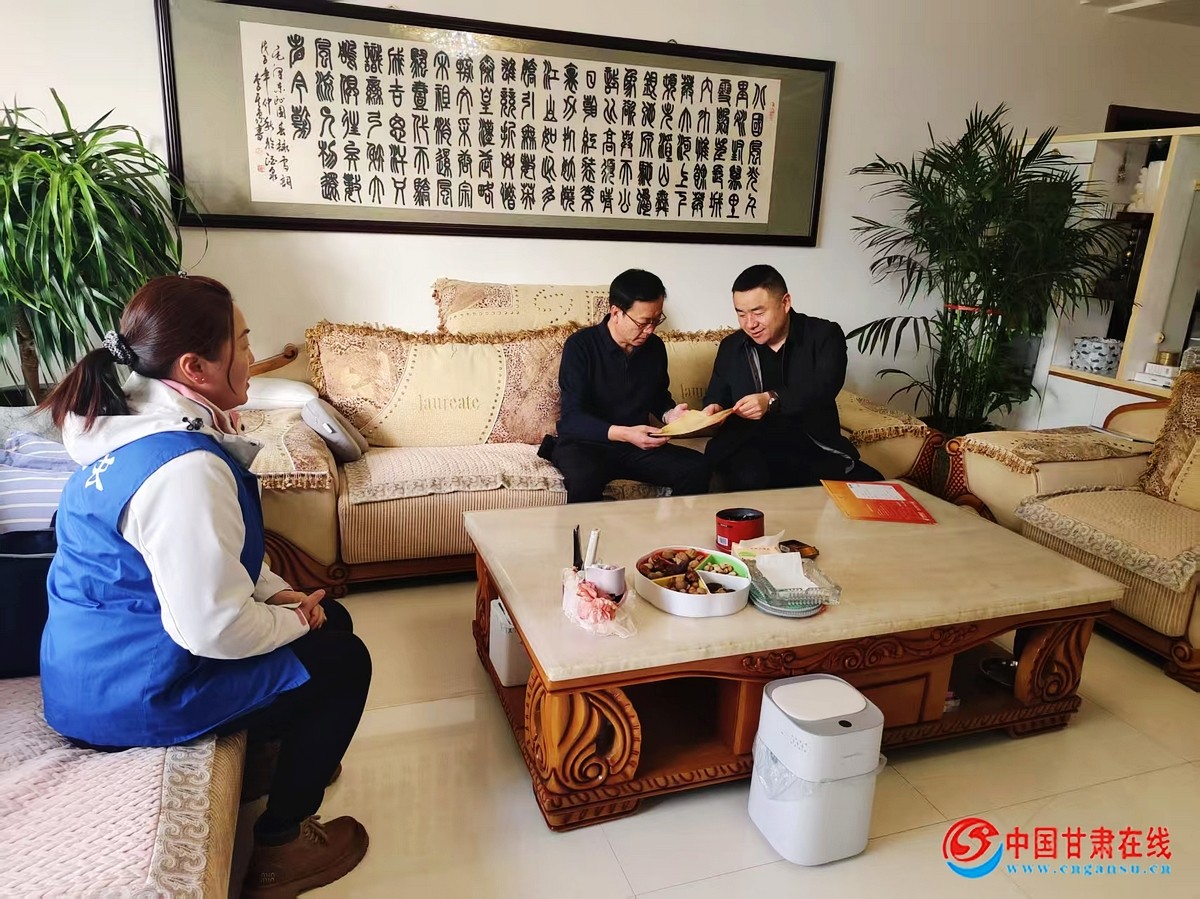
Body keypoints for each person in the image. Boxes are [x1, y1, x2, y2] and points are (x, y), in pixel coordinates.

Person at [38, 275, 370, 897]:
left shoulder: (125, 429)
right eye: (242, 343)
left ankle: (270, 756)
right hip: (132, 694)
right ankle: (282, 847)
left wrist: (278, 595)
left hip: (98, 672)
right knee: (344, 660)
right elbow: (211, 628)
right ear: (194, 367)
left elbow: (212, 557)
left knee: (334, 622)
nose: (251, 355)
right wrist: (296, 620)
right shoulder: (185, 469)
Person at [701, 264, 883, 491]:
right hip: (749, 446)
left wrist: (770, 399)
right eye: (741, 314)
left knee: (877, 486)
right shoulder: (732, 346)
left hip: (812, 443)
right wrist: (714, 409)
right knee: (751, 476)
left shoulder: (823, 335)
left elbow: (825, 387)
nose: (750, 324)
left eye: (758, 313)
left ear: (785, 302)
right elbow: (715, 395)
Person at [548, 268, 711, 503]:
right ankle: (586, 530)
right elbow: (573, 418)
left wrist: (670, 415)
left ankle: (674, 527)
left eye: (656, 320)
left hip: (635, 447)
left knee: (697, 467)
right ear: (616, 312)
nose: (650, 330)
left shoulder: (654, 347)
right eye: (643, 322)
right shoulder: (580, 346)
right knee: (585, 479)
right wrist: (625, 433)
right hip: (586, 445)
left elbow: (658, 396)